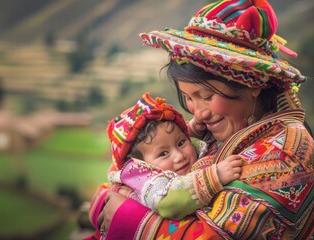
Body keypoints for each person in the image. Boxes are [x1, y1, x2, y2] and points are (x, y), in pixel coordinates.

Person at [91, 0, 314, 239]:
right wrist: (108, 196)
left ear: (252, 84)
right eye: (188, 98)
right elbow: (143, 170)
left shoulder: (285, 156)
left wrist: (124, 214)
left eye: (206, 96)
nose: (198, 113)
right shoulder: (223, 131)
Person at [105, 92, 242, 220]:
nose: (179, 156)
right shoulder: (141, 177)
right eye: (163, 153)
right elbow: (168, 203)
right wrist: (215, 176)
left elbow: (183, 138)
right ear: (140, 164)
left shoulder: (188, 147)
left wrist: (194, 129)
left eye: (181, 143)